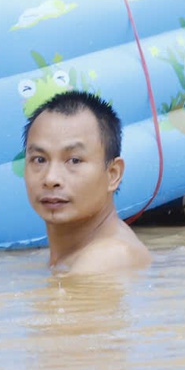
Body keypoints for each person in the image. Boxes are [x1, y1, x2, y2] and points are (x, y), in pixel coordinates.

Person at [23, 91, 152, 274]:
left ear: (113, 174)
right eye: (39, 159)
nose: (51, 178)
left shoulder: (107, 258)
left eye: (74, 160)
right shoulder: (70, 257)